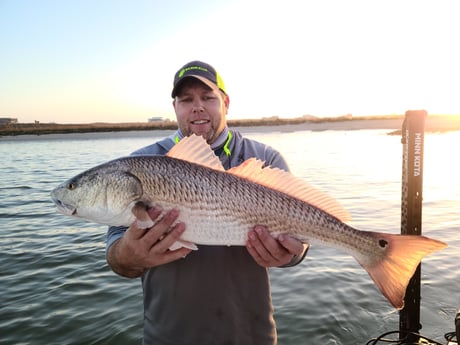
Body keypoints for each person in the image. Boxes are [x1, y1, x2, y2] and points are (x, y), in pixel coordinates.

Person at [106, 61, 309, 345]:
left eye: (208, 97)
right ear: (175, 107)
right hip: (167, 337)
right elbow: (117, 257)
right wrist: (129, 255)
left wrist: (292, 254)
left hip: (251, 336)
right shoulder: (141, 166)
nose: (197, 107)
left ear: (225, 102)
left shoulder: (265, 160)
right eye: (186, 99)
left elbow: (301, 240)